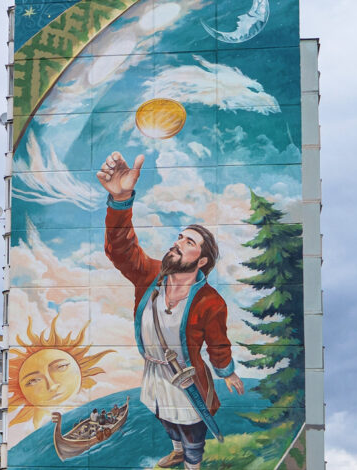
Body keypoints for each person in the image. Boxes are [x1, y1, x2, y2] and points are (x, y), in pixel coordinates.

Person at [97, 152, 245, 470]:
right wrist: (120, 201)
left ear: (201, 261)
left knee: (192, 430)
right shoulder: (149, 275)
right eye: (179, 237)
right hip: (155, 371)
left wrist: (226, 371)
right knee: (163, 415)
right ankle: (176, 450)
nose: (178, 242)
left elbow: (218, 343)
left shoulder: (210, 301)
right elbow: (120, 248)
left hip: (187, 378)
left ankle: (191, 463)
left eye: (189, 242)